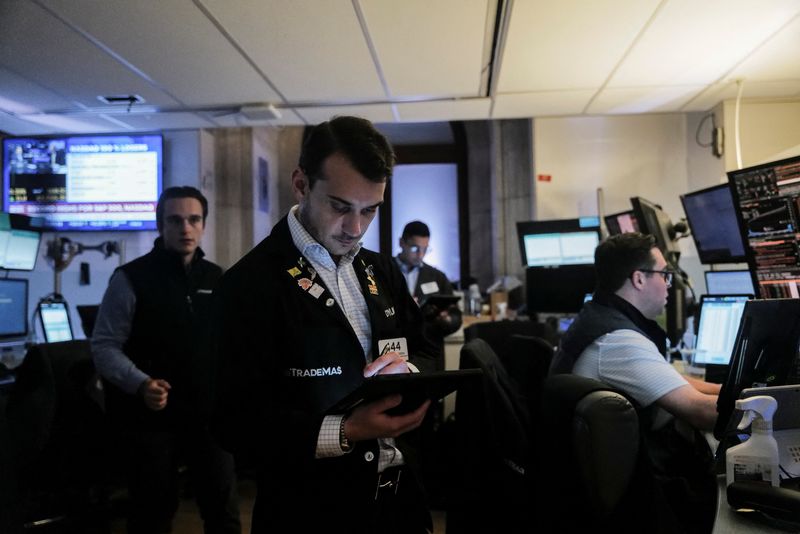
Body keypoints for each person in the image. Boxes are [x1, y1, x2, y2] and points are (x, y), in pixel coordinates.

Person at [213, 116, 439, 534]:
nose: (355, 228)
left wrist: (407, 374)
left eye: (369, 210)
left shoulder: (382, 270)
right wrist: (346, 430)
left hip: (400, 501)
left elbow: (426, 350)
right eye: (340, 207)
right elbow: (233, 422)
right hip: (308, 511)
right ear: (301, 184)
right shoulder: (248, 285)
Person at [92, 186, 240, 534]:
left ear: (203, 225)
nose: (185, 228)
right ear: (161, 225)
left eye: (193, 219)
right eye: (175, 220)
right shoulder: (131, 278)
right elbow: (104, 345)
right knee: (152, 514)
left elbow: (229, 344)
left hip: (207, 417)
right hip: (150, 418)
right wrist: (140, 382)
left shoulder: (216, 278)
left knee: (224, 513)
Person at [549, 232, 719, 533]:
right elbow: (701, 412)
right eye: (664, 274)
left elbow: (671, 378)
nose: (669, 284)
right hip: (639, 500)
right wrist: (778, 404)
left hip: (594, 489)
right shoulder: (619, 341)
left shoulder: (601, 318)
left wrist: (743, 389)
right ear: (639, 279)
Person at [396, 220, 462, 369]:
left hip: (430, 353)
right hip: (396, 351)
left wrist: (448, 320)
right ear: (401, 243)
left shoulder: (437, 277)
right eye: (415, 248)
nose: (420, 254)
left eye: (425, 249)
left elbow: (456, 315)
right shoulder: (384, 270)